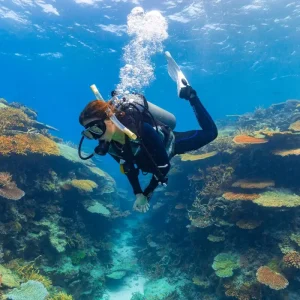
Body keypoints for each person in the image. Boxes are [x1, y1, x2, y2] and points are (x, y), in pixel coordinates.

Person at [78, 84, 218, 213]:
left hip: (170, 144)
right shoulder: (110, 146)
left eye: (96, 128)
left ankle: (191, 96)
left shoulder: (142, 129)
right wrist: (138, 193)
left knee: (211, 133)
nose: (96, 136)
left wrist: (147, 193)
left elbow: (164, 167)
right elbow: (128, 167)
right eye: (89, 133)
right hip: (149, 160)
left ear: (109, 119)